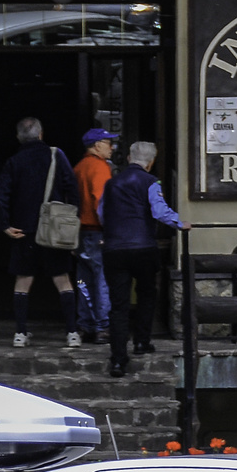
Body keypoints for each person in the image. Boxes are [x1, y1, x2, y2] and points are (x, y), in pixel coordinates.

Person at [99, 140, 188, 378]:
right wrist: (181, 223)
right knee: (147, 293)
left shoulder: (111, 183)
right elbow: (159, 211)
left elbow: (101, 213)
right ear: (151, 163)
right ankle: (141, 341)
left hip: (114, 248)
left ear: (129, 158)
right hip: (143, 247)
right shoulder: (151, 182)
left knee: (118, 306)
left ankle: (118, 360)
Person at [0, 116, 81, 348]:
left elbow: (1, 196)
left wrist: (5, 225)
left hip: (24, 230)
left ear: (19, 137)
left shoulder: (14, 161)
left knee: (23, 281)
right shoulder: (56, 156)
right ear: (41, 134)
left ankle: (20, 333)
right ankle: (72, 332)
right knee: (63, 280)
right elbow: (73, 188)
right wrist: (72, 220)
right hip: (55, 230)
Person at [72, 127, 118, 344]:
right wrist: (110, 229)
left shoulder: (79, 167)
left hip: (80, 232)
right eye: (109, 143)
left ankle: (84, 324)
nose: (112, 147)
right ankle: (102, 327)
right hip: (97, 231)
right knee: (101, 279)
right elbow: (102, 202)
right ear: (97, 145)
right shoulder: (100, 167)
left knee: (83, 279)